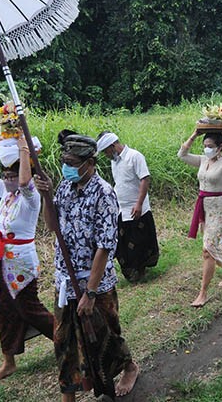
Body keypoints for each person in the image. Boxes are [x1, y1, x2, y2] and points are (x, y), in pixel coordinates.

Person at [35, 132, 139, 400]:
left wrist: (90, 293)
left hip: (95, 282)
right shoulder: (64, 188)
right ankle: (68, 395)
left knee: (105, 334)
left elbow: (105, 246)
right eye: (64, 161)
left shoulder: (104, 193)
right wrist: (46, 196)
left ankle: (129, 367)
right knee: (64, 340)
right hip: (65, 281)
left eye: (72, 162)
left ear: (89, 163)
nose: (66, 167)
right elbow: (52, 225)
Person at [0, 132, 54, 384]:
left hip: (20, 262)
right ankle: (8, 362)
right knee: (1, 310)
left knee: (29, 309)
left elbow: (23, 183)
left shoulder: (30, 198)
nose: (8, 179)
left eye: (12, 175)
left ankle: (67, 340)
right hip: (0, 262)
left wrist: (23, 148)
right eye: (6, 175)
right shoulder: (5, 194)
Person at [178, 122, 222, 307]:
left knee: (208, 250)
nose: (207, 150)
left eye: (210, 147)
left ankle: (203, 293)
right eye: (205, 146)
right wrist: (194, 135)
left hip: (219, 208)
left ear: (219, 148)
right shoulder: (203, 160)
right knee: (214, 244)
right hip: (205, 207)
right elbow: (182, 155)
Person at [95, 131, 160, 282]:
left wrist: (138, 203)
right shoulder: (115, 162)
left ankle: (141, 271)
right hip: (121, 209)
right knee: (124, 244)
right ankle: (132, 272)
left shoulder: (135, 156)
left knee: (140, 242)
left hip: (137, 208)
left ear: (112, 146)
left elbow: (145, 179)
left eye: (106, 151)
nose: (106, 155)